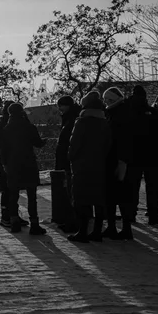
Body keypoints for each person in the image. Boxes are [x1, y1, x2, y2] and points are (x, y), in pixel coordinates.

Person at [67, 91, 112, 243]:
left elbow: (74, 145)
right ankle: (97, 231)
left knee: (82, 199)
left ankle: (83, 231)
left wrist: (71, 157)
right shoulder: (104, 122)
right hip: (99, 165)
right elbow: (107, 145)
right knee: (98, 199)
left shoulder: (81, 122)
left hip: (82, 166)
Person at [0, 102, 47, 235]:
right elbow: (37, 143)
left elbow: (3, 150)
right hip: (29, 164)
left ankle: (14, 223)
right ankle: (34, 224)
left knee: (13, 195)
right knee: (32, 196)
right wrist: (44, 141)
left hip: (13, 165)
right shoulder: (29, 127)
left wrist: (5, 164)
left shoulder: (6, 129)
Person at [127, 86, 158, 226]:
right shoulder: (154, 113)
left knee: (132, 186)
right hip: (153, 156)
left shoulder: (127, 111)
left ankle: (130, 214)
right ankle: (154, 215)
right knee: (154, 187)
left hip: (133, 155)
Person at [102, 87, 136, 240]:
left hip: (117, 159)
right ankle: (119, 227)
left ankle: (117, 227)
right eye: (106, 99)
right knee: (118, 195)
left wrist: (122, 161)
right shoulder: (118, 112)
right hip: (116, 158)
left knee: (116, 195)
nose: (107, 102)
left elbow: (123, 139)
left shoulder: (119, 114)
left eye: (109, 99)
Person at [0, 100, 28, 228]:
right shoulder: (5, 124)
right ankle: (7, 216)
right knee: (9, 190)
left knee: (11, 190)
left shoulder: (4, 123)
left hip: (6, 161)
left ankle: (11, 216)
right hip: (7, 161)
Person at [55, 95, 81, 233]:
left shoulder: (72, 119)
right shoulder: (70, 117)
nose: (59, 108)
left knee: (71, 191)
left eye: (61, 105)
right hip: (68, 159)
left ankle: (72, 220)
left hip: (69, 160)